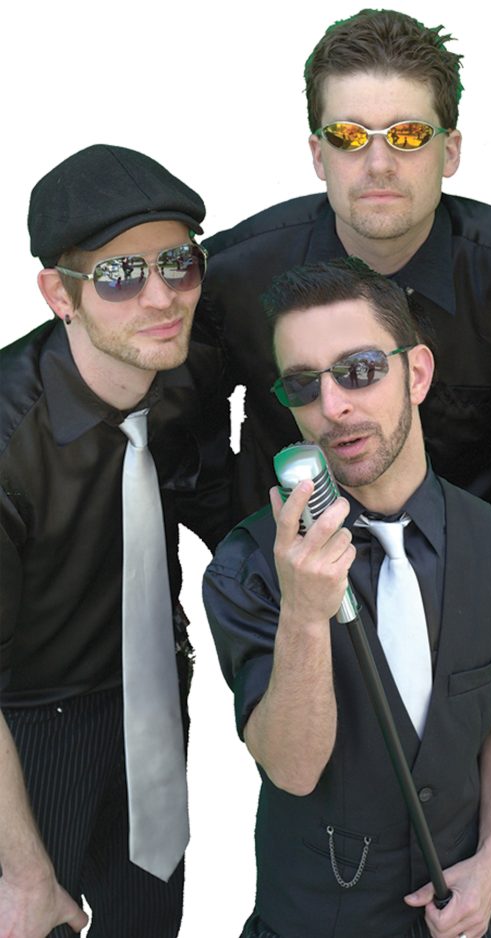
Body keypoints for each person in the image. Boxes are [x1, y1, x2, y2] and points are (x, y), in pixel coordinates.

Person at [203, 258, 491, 938]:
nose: (333, 407)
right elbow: (291, 768)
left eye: (359, 370)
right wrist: (306, 613)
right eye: (303, 385)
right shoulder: (249, 565)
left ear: (416, 374)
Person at [0, 144, 234, 938]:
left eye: (178, 264)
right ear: (59, 295)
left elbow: (213, 500)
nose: (161, 297)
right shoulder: (8, 443)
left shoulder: (187, 373)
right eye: (120, 275)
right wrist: (25, 871)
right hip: (29, 727)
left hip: (154, 702)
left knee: (147, 919)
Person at [195, 8, 491, 516]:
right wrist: (243, 546)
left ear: (450, 152)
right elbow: (180, 435)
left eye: (408, 135)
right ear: (319, 154)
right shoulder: (232, 276)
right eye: (349, 137)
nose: (379, 164)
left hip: (476, 559)